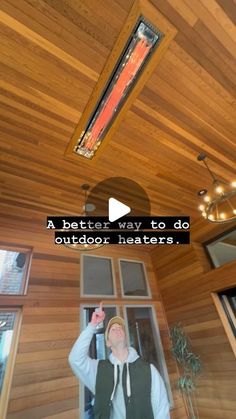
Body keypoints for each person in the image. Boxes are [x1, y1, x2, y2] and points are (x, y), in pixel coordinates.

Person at [69, 302, 170, 419]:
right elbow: (75, 359)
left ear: (126, 337)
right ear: (108, 343)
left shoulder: (149, 370)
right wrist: (92, 325)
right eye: (113, 329)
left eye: (120, 328)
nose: (117, 329)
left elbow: (162, 411)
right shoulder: (98, 370)